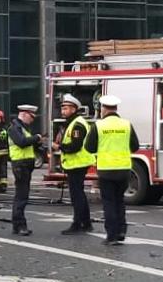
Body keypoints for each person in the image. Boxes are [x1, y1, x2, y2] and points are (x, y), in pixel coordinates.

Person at [93, 94, 140, 245]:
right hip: (123, 169)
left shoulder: (98, 125)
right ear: (116, 108)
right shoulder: (126, 124)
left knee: (109, 202)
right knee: (119, 200)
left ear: (104, 109)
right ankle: (121, 231)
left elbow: (89, 147)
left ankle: (111, 235)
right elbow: (135, 146)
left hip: (106, 170)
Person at [56, 94, 96, 234]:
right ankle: (86, 223)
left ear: (74, 109)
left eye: (66, 108)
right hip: (76, 163)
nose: (63, 111)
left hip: (78, 163)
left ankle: (78, 224)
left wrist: (59, 147)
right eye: (62, 108)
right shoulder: (73, 122)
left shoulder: (77, 124)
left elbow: (75, 146)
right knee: (79, 194)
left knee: (77, 195)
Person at [6, 104, 40, 236]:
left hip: (25, 165)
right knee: (21, 196)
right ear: (24, 114)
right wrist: (36, 138)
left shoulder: (23, 128)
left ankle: (18, 225)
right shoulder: (15, 128)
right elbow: (21, 142)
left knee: (22, 195)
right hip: (20, 165)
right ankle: (19, 225)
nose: (32, 120)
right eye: (31, 117)